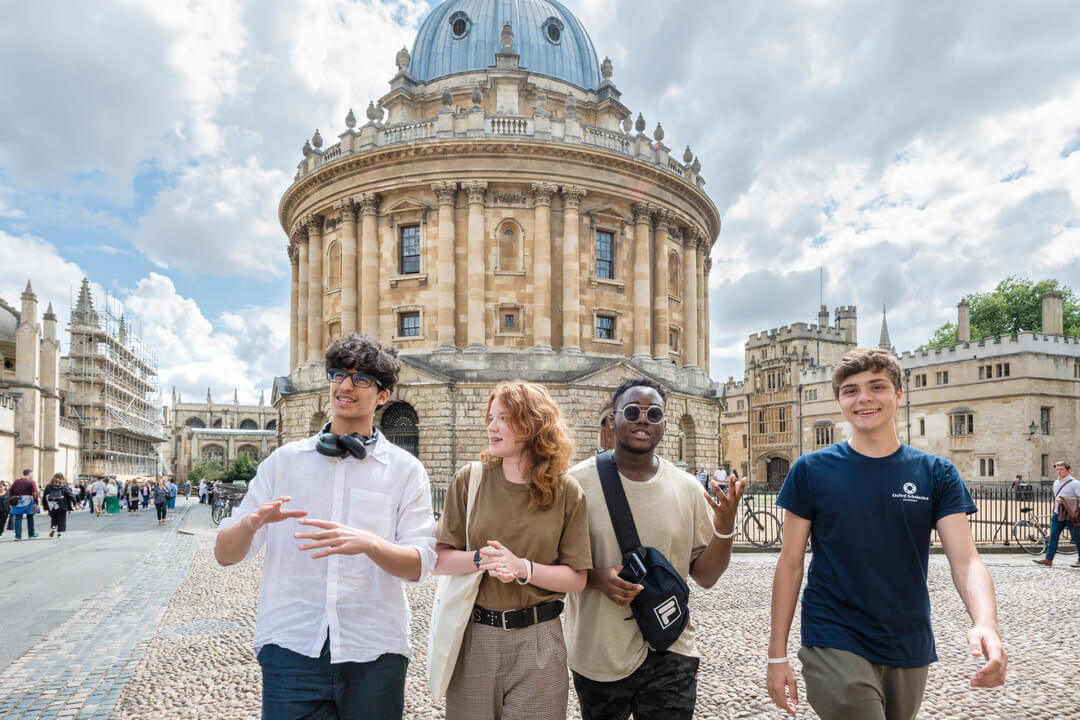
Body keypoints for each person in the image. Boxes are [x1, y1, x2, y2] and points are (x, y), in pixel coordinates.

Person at [767, 348, 1007, 720]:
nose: (863, 398)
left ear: (898, 394)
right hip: (833, 635)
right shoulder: (811, 470)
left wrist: (986, 624)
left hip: (907, 639)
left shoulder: (936, 473)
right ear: (840, 401)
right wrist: (777, 655)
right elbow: (790, 564)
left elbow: (966, 560)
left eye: (876, 387)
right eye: (850, 390)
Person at [215, 333, 436, 720]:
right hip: (291, 645)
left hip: (375, 649)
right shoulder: (282, 463)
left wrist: (369, 543)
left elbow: (419, 565)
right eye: (338, 374)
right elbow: (225, 555)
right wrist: (249, 524)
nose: (345, 385)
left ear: (382, 395)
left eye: (360, 379)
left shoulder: (405, 470)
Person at [564, 378, 745, 720]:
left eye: (654, 413)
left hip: (672, 649)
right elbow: (554, 563)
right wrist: (597, 578)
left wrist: (724, 530)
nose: (642, 419)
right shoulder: (574, 484)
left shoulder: (688, 488)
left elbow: (705, 576)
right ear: (612, 419)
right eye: (632, 411)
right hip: (599, 650)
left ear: (664, 424)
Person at [434, 381, 591, 720]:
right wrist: (480, 559)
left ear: (533, 423)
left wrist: (523, 568)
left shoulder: (567, 491)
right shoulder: (469, 480)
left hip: (540, 640)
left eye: (503, 418)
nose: (491, 426)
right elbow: (439, 559)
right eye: (490, 417)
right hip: (475, 637)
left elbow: (577, 579)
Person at [1033, 461, 1080, 568]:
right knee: (1053, 536)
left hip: (1070, 515)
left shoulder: (1075, 483)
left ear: (1068, 470)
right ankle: (1048, 559)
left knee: (1077, 538)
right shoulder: (1056, 483)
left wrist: (1064, 500)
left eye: (1061, 469)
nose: (1058, 471)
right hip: (1057, 514)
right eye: (1057, 469)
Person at [8, 469, 40, 540]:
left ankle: (18, 536)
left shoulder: (16, 481)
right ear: (30, 474)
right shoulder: (32, 482)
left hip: (17, 500)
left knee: (18, 518)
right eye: (32, 474)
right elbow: (35, 493)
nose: (32, 475)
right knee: (31, 517)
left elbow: (10, 491)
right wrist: (37, 503)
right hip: (30, 500)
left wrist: (10, 502)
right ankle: (31, 534)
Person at [44, 473, 76, 538]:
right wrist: (75, 503)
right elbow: (70, 495)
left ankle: (53, 527)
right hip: (62, 505)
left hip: (52, 505)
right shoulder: (64, 487)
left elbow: (45, 497)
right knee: (61, 519)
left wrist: (45, 506)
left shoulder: (48, 486)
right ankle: (59, 532)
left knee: (53, 517)